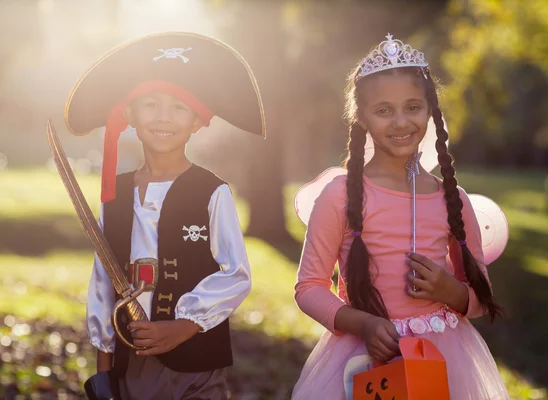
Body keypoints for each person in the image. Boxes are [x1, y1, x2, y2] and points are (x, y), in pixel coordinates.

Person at [291, 34, 509, 400]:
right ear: (361, 117)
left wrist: (451, 291)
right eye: (383, 110)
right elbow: (309, 287)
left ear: (431, 111)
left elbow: (480, 298)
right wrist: (363, 323)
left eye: (413, 107)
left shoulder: (451, 200)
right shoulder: (340, 195)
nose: (400, 122)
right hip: (363, 355)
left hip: (443, 356)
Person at [64, 32, 265, 400]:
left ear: (198, 120)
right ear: (129, 114)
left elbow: (235, 274)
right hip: (132, 361)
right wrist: (104, 370)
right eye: (151, 104)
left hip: (196, 366)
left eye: (178, 107)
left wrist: (185, 324)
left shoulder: (212, 191)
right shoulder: (116, 193)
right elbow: (103, 281)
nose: (163, 118)